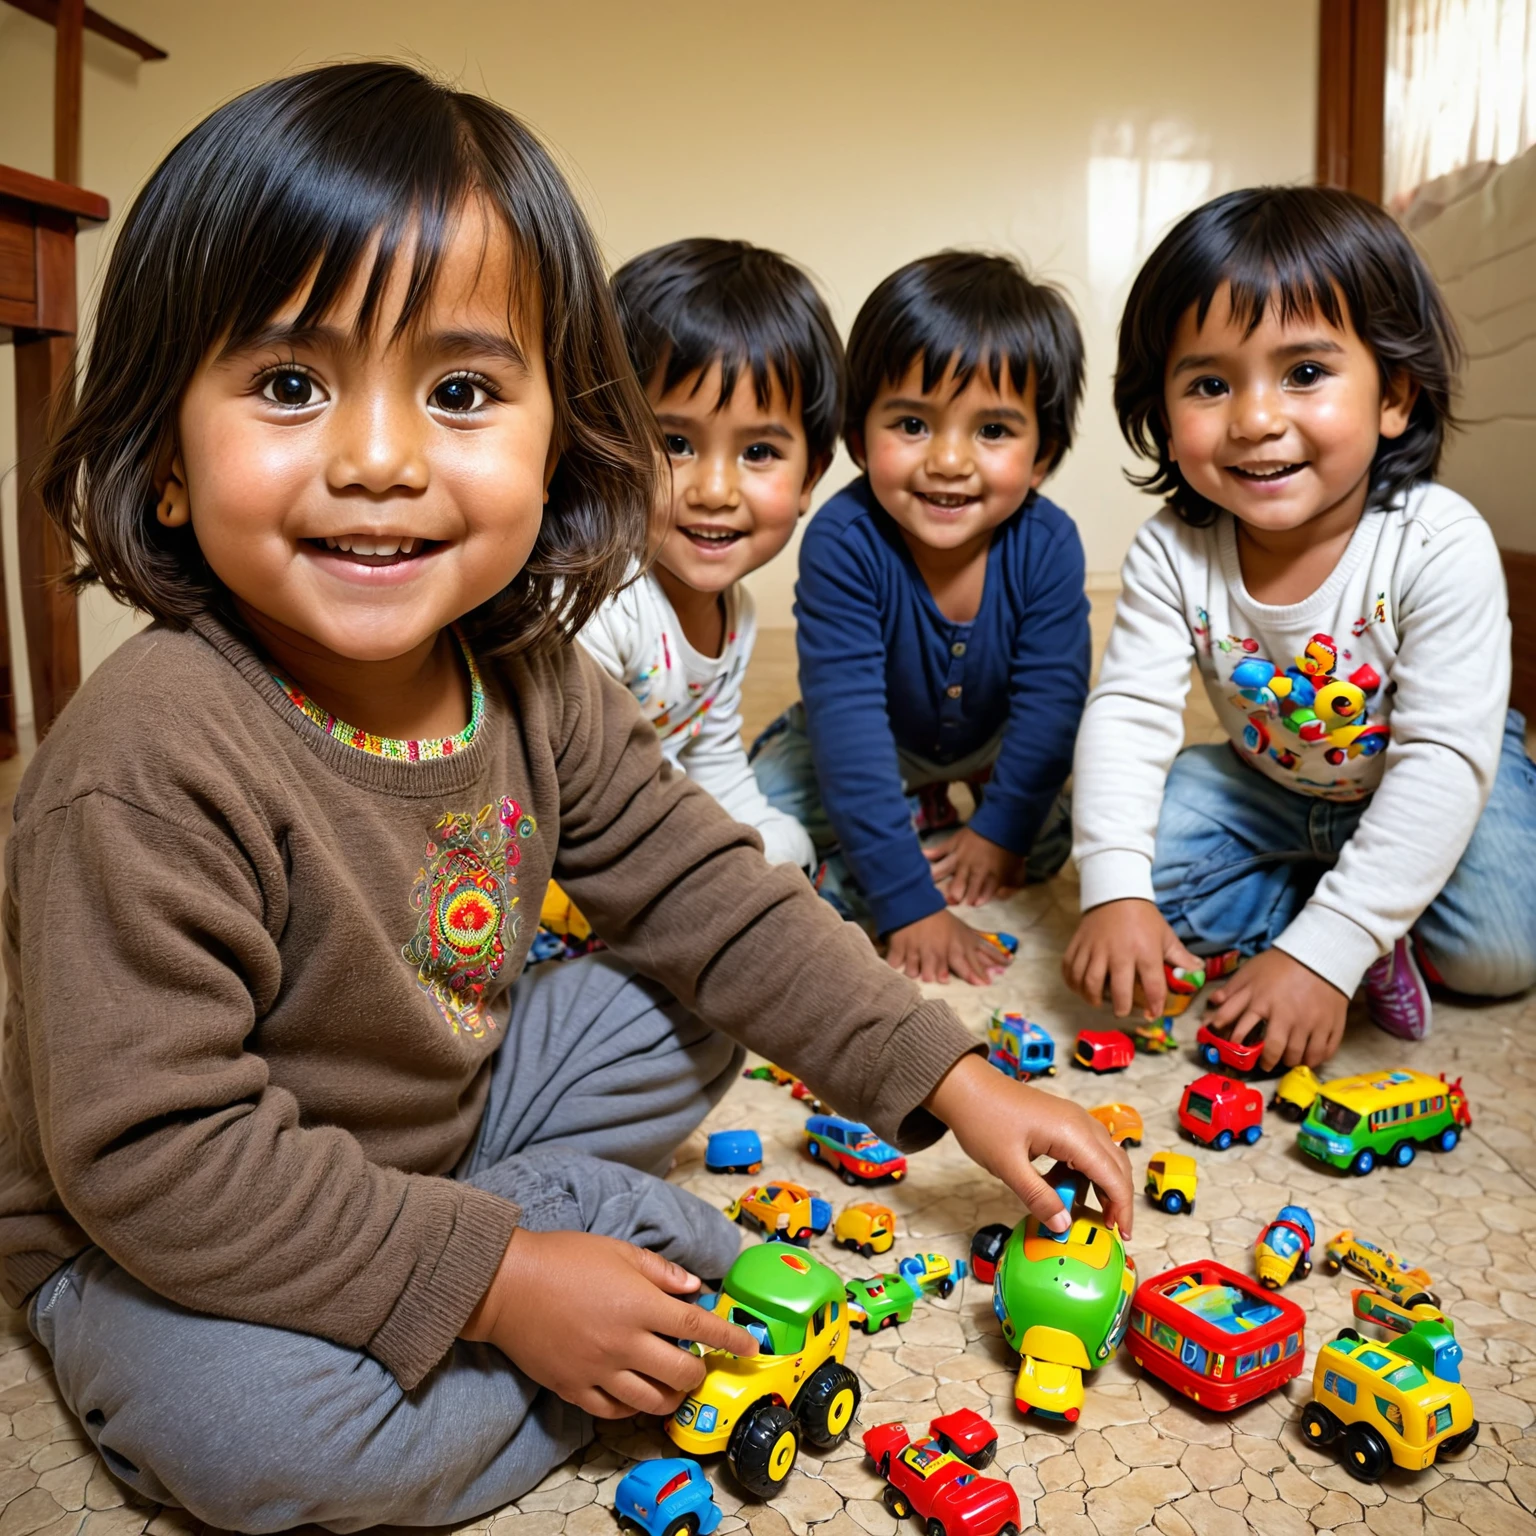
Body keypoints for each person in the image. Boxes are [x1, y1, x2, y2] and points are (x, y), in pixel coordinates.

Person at [0, 65, 1130, 1533]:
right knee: (245, 1436)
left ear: (559, 445)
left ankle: (517, 1225)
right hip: (156, 1231)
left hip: (441, 1117)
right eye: (291, 385)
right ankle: (555, 1267)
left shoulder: (528, 675)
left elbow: (711, 896)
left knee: (710, 967)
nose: (381, 458)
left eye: (460, 391)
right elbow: (156, 1160)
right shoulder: (145, 761)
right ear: (162, 456)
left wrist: (954, 1080)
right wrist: (505, 1285)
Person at [1064, 185, 1536, 1069]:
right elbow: (1127, 715)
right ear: (1161, 413)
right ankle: (1348, 913)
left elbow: (1442, 762)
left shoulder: (1440, 544)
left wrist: (1327, 953)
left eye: (1306, 373)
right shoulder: (1174, 549)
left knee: (1503, 951)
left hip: (1433, 767)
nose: (1254, 418)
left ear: (1394, 394)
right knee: (1140, 881)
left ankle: (1350, 923)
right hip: (1271, 782)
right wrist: (1114, 893)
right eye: (1209, 383)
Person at [753, 252, 1091, 986]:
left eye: (993, 431)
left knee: (1052, 838)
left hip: (988, 744)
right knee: (766, 830)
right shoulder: (845, 541)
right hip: (867, 740)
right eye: (912, 423)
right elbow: (850, 734)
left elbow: (1051, 709)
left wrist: (999, 833)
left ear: (1044, 455)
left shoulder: (1050, 543)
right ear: (855, 434)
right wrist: (909, 906)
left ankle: (942, 816)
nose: (947, 460)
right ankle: (913, 821)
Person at [579, 239, 841, 874]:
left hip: (653, 824)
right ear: (608, 439)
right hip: (570, 842)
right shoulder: (599, 602)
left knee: (799, 851)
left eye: (758, 453)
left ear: (811, 479)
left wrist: (771, 841)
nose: (715, 492)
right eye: (675, 442)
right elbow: (595, 793)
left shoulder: (735, 613)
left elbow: (713, 759)